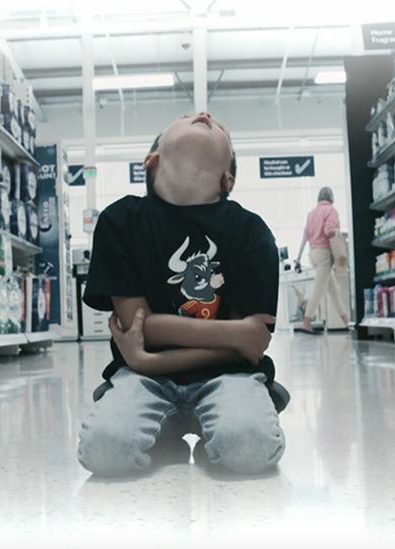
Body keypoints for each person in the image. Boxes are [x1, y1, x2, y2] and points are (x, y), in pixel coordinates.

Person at [77, 112, 289, 477]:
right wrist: (235, 335)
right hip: (145, 380)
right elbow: (139, 326)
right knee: (105, 452)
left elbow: (255, 341)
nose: (204, 115)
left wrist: (150, 360)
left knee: (249, 449)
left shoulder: (251, 231)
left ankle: (217, 426)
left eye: (220, 126)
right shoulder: (120, 221)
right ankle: (169, 431)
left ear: (228, 178)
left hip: (228, 376)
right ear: (152, 159)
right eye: (185, 118)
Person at [295, 186, 348, 333]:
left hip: (313, 253)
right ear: (331, 197)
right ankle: (306, 322)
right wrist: (338, 232)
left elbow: (305, 236)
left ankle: (346, 322)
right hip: (324, 253)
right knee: (319, 289)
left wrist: (298, 257)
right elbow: (329, 230)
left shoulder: (311, 213)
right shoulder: (331, 210)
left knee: (334, 289)